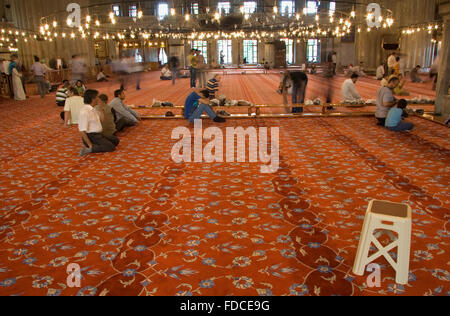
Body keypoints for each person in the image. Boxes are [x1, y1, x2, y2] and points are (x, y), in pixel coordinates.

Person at [78, 90, 120, 156]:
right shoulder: (85, 112)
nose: (99, 99)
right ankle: (90, 149)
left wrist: (101, 108)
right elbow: (82, 131)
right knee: (111, 147)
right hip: (91, 136)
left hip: (98, 134)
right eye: (97, 97)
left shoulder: (93, 109)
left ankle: (97, 146)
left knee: (115, 140)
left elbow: (102, 120)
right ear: (93, 99)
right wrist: (90, 145)